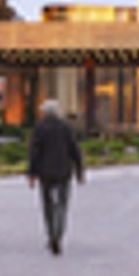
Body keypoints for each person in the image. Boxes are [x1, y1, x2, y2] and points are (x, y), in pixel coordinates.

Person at [27, 99, 84, 256]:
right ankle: (58, 234)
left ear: (44, 112)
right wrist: (79, 171)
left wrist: (31, 173)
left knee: (48, 205)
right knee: (62, 204)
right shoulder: (65, 127)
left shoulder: (39, 128)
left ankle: (51, 233)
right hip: (63, 171)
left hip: (45, 172)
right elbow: (74, 149)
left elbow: (34, 152)